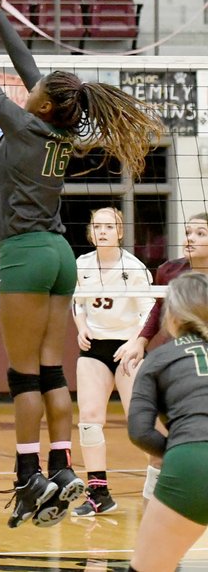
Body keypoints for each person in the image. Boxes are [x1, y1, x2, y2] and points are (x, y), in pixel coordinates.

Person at [0, 0, 164, 528]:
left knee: (22, 377)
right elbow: (28, 68)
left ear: (38, 101)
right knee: (51, 371)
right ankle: (62, 469)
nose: (29, 83)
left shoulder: (21, 123)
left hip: (27, 252)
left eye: (34, 88)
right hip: (62, 255)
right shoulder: (57, 127)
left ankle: (26, 475)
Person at [117, 212, 208, 503]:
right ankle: (152, 506)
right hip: (177, 365)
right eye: (189, 232)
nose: (190, 238)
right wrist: (140, 340)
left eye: (200, 234)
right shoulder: (169, 271)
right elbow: (158, 309)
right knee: (159, 448)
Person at [70, 207, 154, 517]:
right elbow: (76, 304)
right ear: (91, 232)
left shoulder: (133, 268)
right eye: (98, 226)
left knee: (139, 424)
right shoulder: (81, 265)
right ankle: (98, 492)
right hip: (94, 348)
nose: (103, 231)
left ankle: (161, 484)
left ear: (120, 232)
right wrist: (81, 328)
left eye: (110, 226)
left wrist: (136, 343)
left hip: (127, 348)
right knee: (89, 419)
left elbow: (149, 311)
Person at [127, 272, 208, 572]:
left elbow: (139, 431)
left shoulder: (159, 359)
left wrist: (178, 453)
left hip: (193, 462)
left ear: (171, 315)